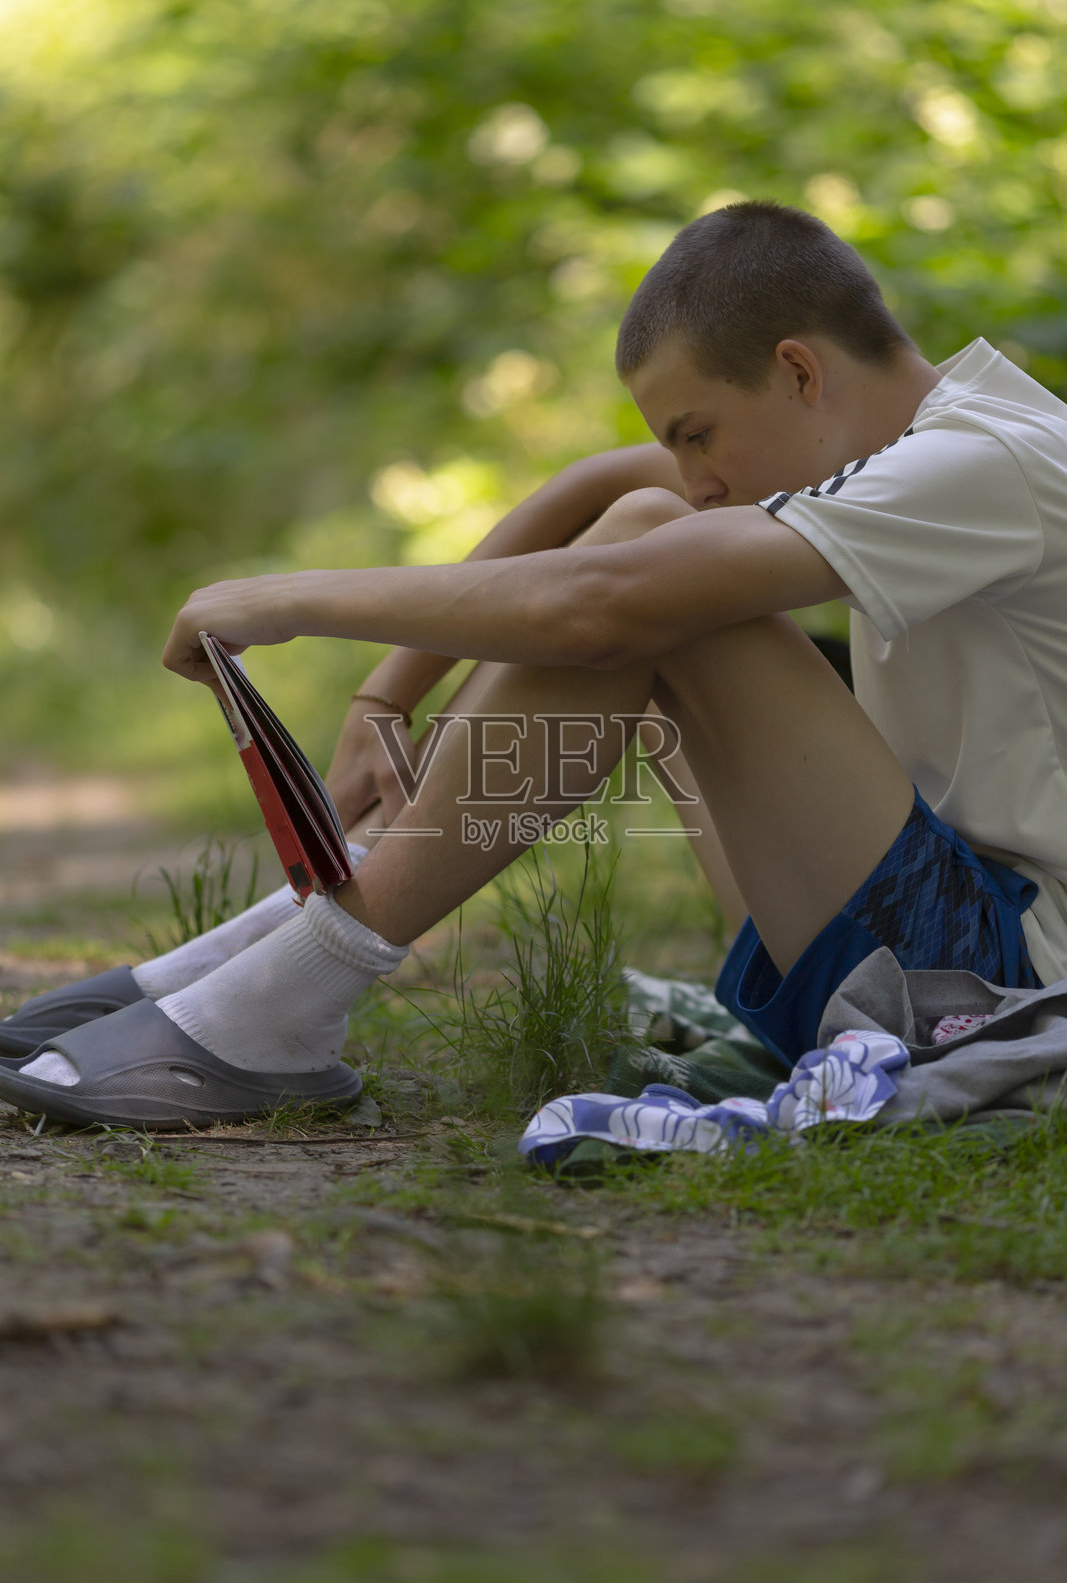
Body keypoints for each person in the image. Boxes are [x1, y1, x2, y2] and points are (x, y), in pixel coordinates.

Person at [3, 199, 1066, 1130]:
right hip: (933, 925)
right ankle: (258, 962)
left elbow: (600, 605)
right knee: (649, 528)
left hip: (1001, 989)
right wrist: (384, 696)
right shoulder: (909, 442)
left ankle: (286, 994)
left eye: (700, 434)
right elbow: (593, 483)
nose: (697, 476)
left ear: (796, 370)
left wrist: (283, 598)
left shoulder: (985, 462)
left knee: (662, 590)